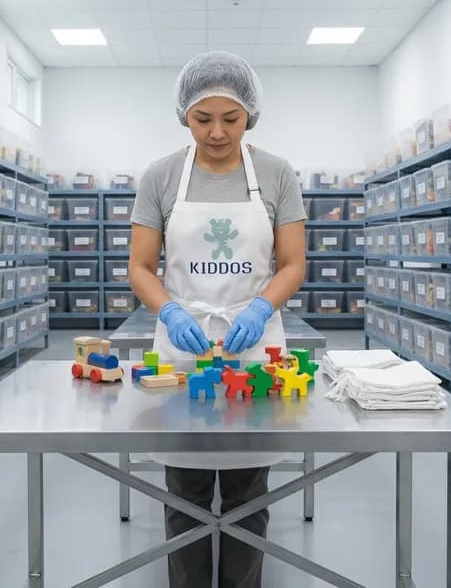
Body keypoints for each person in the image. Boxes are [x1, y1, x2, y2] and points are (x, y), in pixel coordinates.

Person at [129, 51, 307, 587]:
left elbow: (294, 262)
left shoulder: (276, 174)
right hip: (183, 350)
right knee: (182, 490)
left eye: (230, 119)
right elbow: (139, 267)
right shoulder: (161, 176)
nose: (216, 132)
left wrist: (261, 306)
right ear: (184, 114)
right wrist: (170, 308)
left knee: (248, 492)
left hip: (253, 349)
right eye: (202, 119)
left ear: (250, 114)